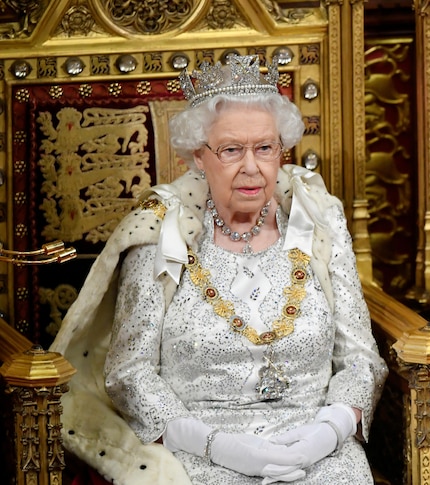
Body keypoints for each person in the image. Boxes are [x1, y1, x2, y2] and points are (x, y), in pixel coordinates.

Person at [49, 53, 388, 484]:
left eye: (265, 148)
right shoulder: (161, 232)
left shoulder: (319, 220)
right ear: (197, 157)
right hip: (199, 458)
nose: (252, 167)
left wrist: (329, 431)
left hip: (321, 455)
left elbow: (361, 358)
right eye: (231, 150)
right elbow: (129, 373)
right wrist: (213, 444)